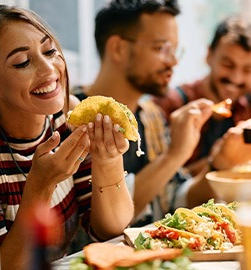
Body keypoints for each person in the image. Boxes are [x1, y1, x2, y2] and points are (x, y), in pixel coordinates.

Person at [0, 5, 134, 270]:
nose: (49, 69)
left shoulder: (68, 116)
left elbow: (110, 229)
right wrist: (41, 186)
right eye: (22, 63)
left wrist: (108, 159)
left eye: (50, 51)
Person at [73, 0, 215, 226]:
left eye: (175, 50)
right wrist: (173, 156)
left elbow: (175, 199)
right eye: (161, 48)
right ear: (118, 48)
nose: (174, 61)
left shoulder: (152, 115)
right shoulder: (73, 117)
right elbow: (102, 226)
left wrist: (218, 162)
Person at [154, 15, 251, 175]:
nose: (236, 78)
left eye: (247, 69)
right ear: (209, 55)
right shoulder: (169, 105)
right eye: (227, 64)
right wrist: (220, 160)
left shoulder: (247, 107)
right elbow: (161, 188)